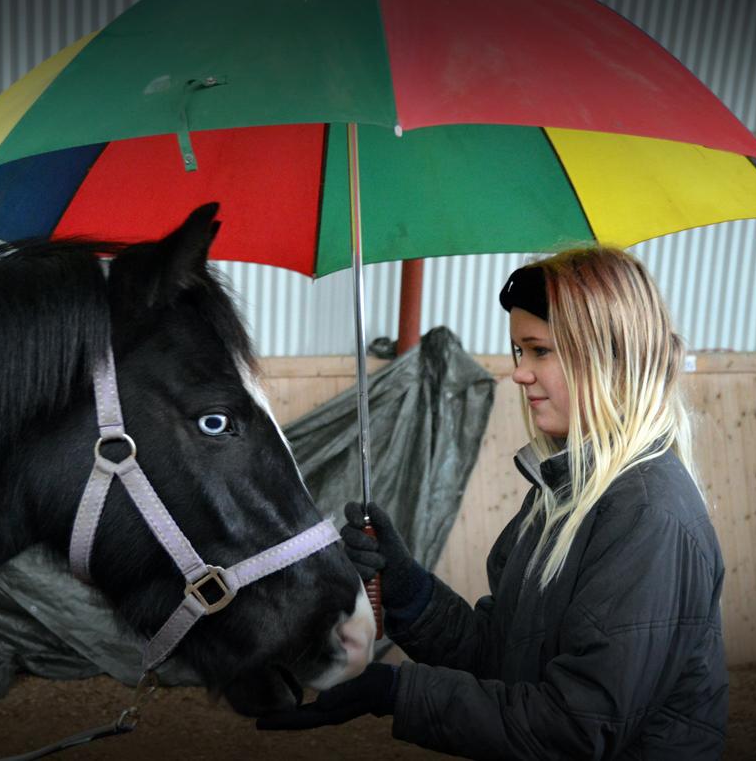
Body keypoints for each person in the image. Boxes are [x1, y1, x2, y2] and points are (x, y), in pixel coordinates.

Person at [258, 247, 728, 759]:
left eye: (540, 351)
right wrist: (409, 590)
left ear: (605, 352)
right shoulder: (566, 494)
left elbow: (575, 727)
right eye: (518, 352)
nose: (520, 373)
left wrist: (396, 692)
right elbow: (505, 657)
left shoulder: (645, 516)